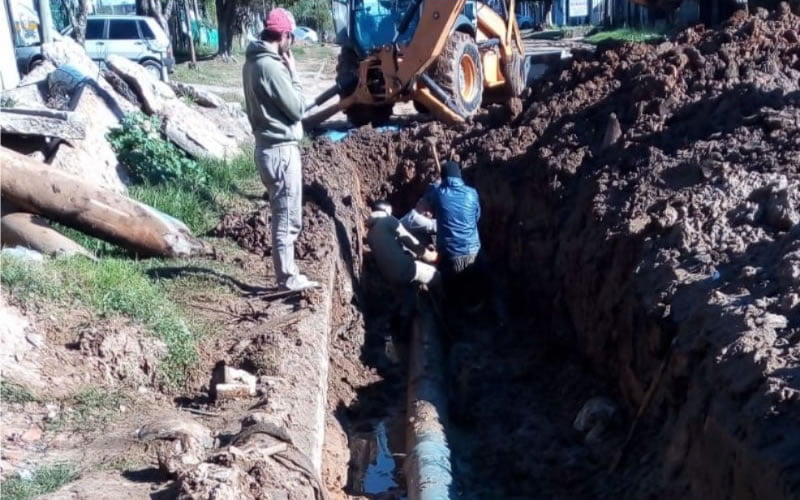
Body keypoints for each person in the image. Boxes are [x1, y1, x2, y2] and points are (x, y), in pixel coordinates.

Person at [243, 8, 318, 291]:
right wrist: (294, 74)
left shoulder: (253, 62)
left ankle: (287, 273)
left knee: (285, 214)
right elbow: (298, 108)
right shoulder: (271, 67)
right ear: (284, 36)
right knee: (287, 217)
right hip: (280, 150)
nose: (292, 44)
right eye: (291, 37)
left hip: (267, 147)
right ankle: (287, 278)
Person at [424, 161, 486, 311]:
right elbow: (476, 216)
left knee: (453, 294)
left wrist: (436, 185)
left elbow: (425, 206)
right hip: (474, 252)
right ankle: (478, 310)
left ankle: (454, 316)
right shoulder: (472, 193)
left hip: (449, 256)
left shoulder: (436, 192)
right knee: (474, 290)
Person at [366, 200, 439, 288]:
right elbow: (410, 241)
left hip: (388, 275)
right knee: (437, 276)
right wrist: (431, 256)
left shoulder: (370, 234)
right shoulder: (389, 220)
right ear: (386, 210)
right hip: (405, 269)